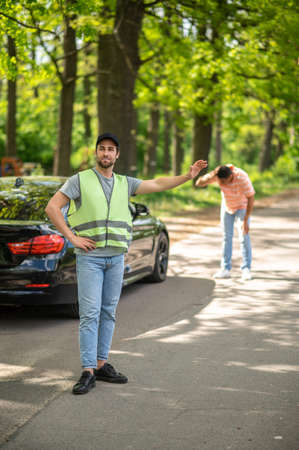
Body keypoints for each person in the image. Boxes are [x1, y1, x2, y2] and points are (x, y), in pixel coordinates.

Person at [45, 132, 207, 395]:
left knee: (109, 311)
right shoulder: (80, 180)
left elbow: (158, 184)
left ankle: (101, 363)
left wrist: (188, 176)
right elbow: (52, 207)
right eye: (102, 149)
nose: (106, 153)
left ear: (117, 155)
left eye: (111, 149)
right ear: (96, 153)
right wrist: (72, 237)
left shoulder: (125, 183)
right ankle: (87, 370)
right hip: (91, 258)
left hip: (116, 257)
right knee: (90, 314)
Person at [195, 164, 255, 281]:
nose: (223, 184)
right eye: (220, 181)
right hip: (227, 207)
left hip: (242, 207)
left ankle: (246, 269)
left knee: (244, 236)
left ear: (231, 175)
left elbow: (251, 197)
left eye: (225, 181)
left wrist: (246, 219)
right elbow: (198, 183)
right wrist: (210, 176)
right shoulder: (218, 175)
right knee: (227, 237)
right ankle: (225, 269)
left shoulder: (241, 177)